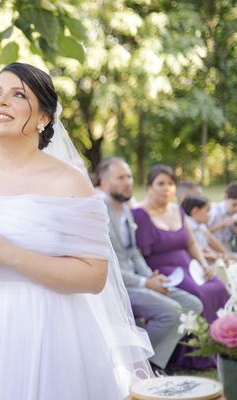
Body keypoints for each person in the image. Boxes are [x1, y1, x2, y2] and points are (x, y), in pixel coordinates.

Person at [0, 62, 153, 400]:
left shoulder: (69, 181)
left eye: (17, 94)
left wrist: (11, 255)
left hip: (51, 326)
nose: (0, 101)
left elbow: (94, 277)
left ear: (43, 118)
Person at [97, 157, 203, 373]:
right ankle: (143, 366)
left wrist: (152, 278)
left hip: (139, 280)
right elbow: (107, 264)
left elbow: (133, 253)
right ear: (104, 184)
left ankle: (153, 362)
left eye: (129, 177)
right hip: (115, 286)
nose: (128, 182)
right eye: (120, 177)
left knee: (193, 305)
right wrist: (146, 283)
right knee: (172, 312)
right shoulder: (98, 212)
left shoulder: (126, 211)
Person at [132, 164, 231, 369]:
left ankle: (225, 347)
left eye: (170, 184)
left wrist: (204, 264)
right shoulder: (139, 214)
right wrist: (150, 278)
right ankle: (192, 355)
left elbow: (192, 242)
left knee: (218, 287)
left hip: (190, 266)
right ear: (149, 187)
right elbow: (136, 253)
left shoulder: (177, 210)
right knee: (197, 294)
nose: (166, 188)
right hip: (164, 271)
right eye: (161, 183)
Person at [208, 182, 237, 252]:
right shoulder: (213, 211)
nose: (236, 209)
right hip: (212, 252)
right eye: (234, 204)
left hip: (229, 251)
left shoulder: (235, 215)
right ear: (226, 198)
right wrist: (221, 225)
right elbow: (201, 232)